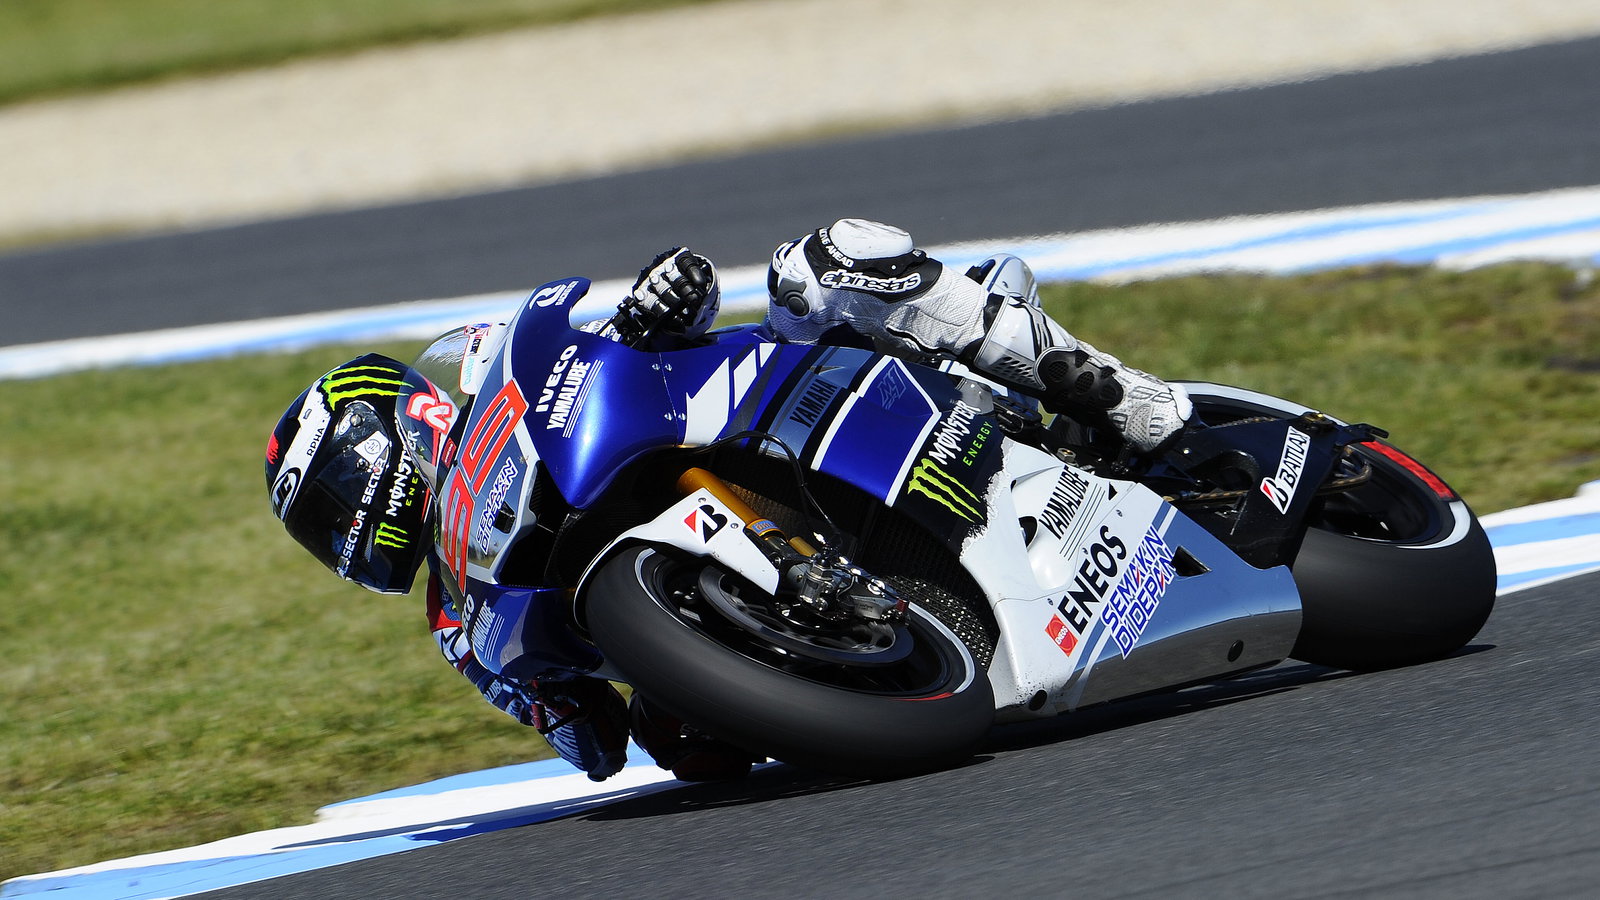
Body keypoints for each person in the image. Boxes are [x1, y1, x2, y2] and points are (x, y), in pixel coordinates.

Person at [264, 219, 1192, 782]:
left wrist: (654, 306)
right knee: (694, 751)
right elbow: (590, 743)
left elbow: (626, 336)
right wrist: (584, 704)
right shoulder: (455, 622)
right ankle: (867, 639)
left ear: (384, 431)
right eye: (323, 532)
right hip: (737, 625)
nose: (343, 535)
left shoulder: (481, 368)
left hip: (781, 408)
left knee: (824, 264)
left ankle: (1125, 399)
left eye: (333, 506)